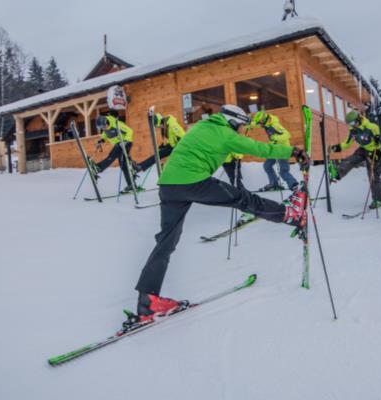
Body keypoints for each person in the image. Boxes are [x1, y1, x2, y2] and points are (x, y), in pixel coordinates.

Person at [131, 104, 309, 323]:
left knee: (166, 241)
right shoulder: (225, 132)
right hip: (192, 181)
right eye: (241, 126)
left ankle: (147, 301)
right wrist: (292, 151)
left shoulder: (201, 127)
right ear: (233, 120)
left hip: (169, 186)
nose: (241, 130)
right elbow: (258, 148)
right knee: (243, 198)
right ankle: (289, 214)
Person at [328, 110, 381, 209]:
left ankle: (379, 199)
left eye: (353, 123)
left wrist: (378, 139)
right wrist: (335, 148)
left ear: (358, 119)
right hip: (364, 149)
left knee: (373, 175)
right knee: (352, 159)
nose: (352, 125)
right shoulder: (353, 131)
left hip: (376, 151)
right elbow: (346, 143)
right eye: (350, 124)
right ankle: (337, 174)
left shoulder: (372, 127)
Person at [251, 110, 299, 191]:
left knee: (283, 171)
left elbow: (287, 134)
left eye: (260, 123)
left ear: (264, 120)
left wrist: (275, 138)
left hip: (282, 150)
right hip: (275, 149)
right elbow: (255, 124)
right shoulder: (266, 124)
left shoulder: (275, 125)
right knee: (267, 166)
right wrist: (247, 124)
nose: (260, 125)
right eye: (259, 123)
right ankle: (274, 184)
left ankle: (293, 185)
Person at [92, 113, 140, 192]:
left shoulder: (117, 124)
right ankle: (132, 184)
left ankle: (98, 168)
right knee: (123, 165)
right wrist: (102, 140)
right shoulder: (106, 128)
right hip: (119, 144)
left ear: (106, 122)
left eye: (103, 126)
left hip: (125, 143)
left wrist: (125, 141)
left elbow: (130, 131)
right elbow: (105, 134)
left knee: (111, 156)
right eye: (101, 128)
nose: (103, 128)